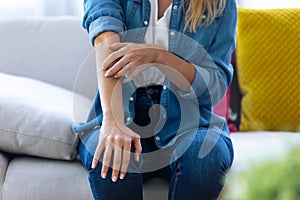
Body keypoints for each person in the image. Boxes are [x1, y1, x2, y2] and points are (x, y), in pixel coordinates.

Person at [73, 0, 237, 199]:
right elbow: (106, 43)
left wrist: (160, 57)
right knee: (109, 158)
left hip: (190, 122)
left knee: (206, 157)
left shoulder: (221, 4)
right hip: (120, 111)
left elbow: (216, 85)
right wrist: (113, 119)